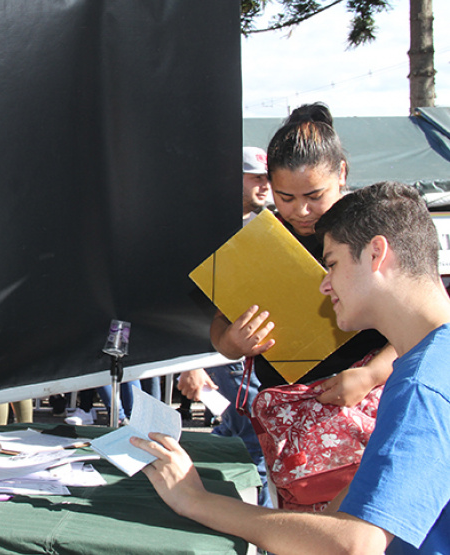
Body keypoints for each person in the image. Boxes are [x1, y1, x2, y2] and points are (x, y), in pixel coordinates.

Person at [133, 182, 449, 554]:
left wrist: (194, 500)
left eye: (332, 264)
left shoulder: (422, 385)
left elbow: (355, 544)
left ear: (376, 254)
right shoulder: (430, 364)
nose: (325, 285)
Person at [210, 104, 395, 403]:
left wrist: (371, 375)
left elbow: (427, 320)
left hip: (369, 401)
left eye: (314, 196)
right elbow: (220, 325)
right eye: (285, 198)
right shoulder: (262, 240)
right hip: (284, 408)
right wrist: (232, 343)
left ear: (341, 173)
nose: (302, 211)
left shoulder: (377, 234)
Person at [177, 146, 273, 505]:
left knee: (235, 435)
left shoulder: (269, 227)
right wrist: (191, 362)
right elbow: (189, 298)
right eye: (255, 177)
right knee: (256, 444)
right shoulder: (208, 228)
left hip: (252, 356)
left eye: (266, 177)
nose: (264, 184)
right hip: (223, 354)